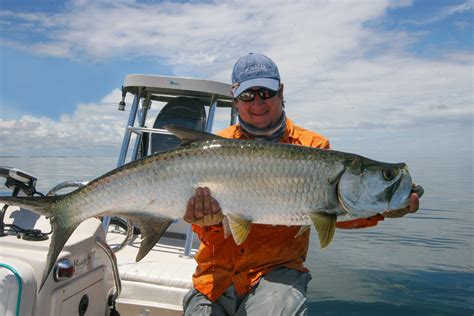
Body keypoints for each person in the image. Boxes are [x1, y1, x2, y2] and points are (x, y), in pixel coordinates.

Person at [182, 53, 420, 315]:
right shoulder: (217, 146)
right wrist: (210, 222)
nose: (258, 102)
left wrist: (383, 209)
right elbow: (206, 229)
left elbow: (336, 212)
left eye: (266, 92)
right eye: (248, 95)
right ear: (235, 100)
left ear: (281, 92)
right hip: (215, 278)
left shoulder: (315, 148)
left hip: (277, 274)